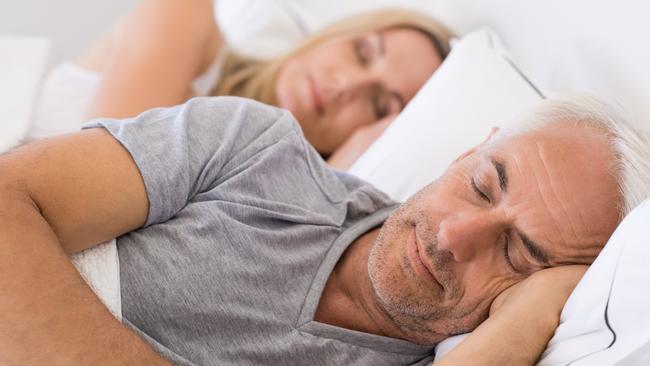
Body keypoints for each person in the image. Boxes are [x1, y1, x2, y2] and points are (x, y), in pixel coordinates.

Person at [2, 93, 650, 365]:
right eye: (483, 185)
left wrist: (518, 330)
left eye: (518, 252)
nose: (456, 238)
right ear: (467, 152)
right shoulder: (255, 150)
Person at [31, 0, 453, 168]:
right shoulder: (186, 17)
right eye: (362, 52)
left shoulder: (277, 192)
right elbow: (96, 194)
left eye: (380, 104)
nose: (348, 84)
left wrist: (339, 176)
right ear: (339, 34)